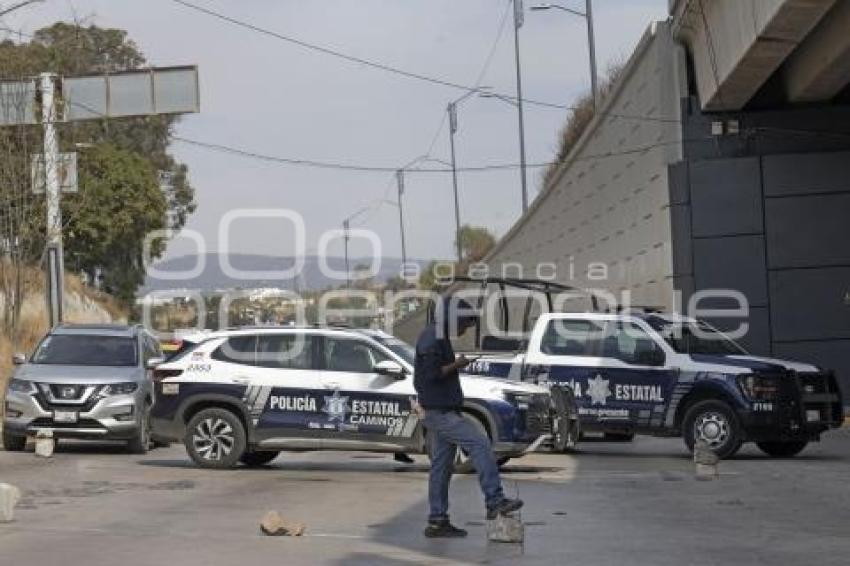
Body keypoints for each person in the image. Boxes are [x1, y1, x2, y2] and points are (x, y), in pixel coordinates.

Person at [414, 297, 523, 538]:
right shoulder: (432, 338)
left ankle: (437, 521)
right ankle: (494, 500)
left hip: (442, 410)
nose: (463, 329)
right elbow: (431, 375)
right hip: (439, 412)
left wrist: (455, 365)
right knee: (480, 443)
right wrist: (458, 364)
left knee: (441, 468)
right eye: (462, 323)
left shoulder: (436, 335)